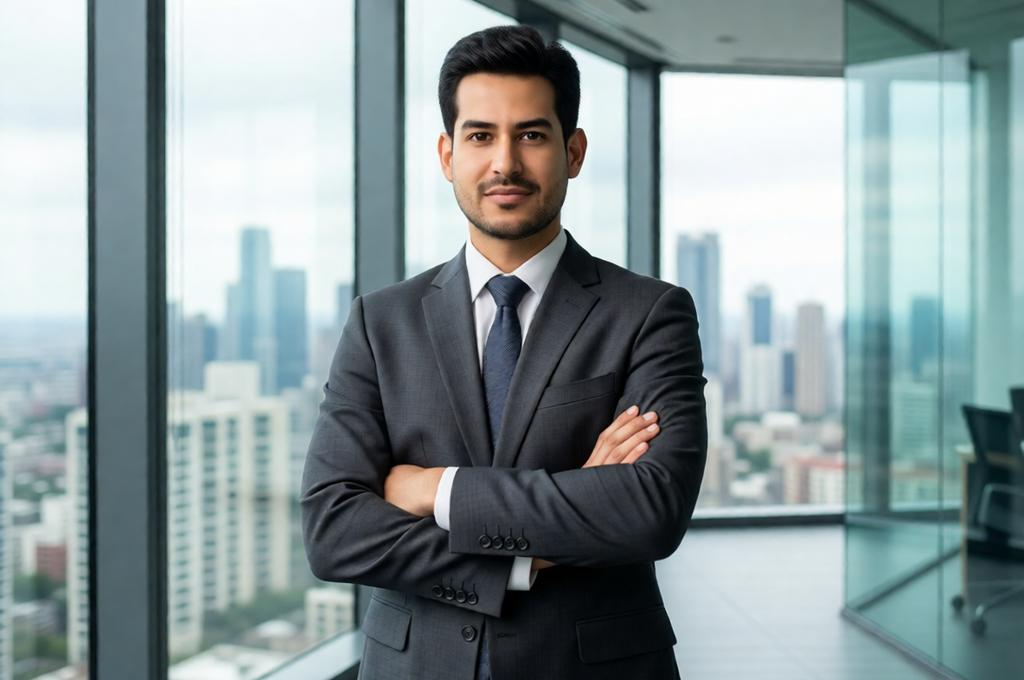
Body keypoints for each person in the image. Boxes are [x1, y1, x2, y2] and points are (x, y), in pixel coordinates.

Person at [301, 24, 707, 680]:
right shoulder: (381, 321)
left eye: (533, 136)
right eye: (481, 136)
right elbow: (334, 529)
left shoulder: (649, 313)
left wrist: (434, 488)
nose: (505, 164)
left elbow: (649, 511)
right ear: (446, 154)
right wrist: (533, 549)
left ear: (573, 151)